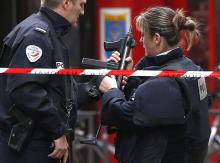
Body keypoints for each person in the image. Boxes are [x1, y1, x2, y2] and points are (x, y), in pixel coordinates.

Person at [99, 7, 211, 163]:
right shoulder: (189, 68)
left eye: (144, 35)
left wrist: (110, 90)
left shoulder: (165, 81)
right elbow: (153, 110)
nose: (140, 40)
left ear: (157, 38)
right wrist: (132, 79)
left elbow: (124, 115)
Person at [0, 0, 101, 163]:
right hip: (30, 147)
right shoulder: (37, 35)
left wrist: (95, 86)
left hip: (39, 145)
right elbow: (26, 90)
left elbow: (60, 95)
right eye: (81, 5)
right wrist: (58, 131)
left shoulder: (50, 34)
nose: (82, 12)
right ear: (66, 3)